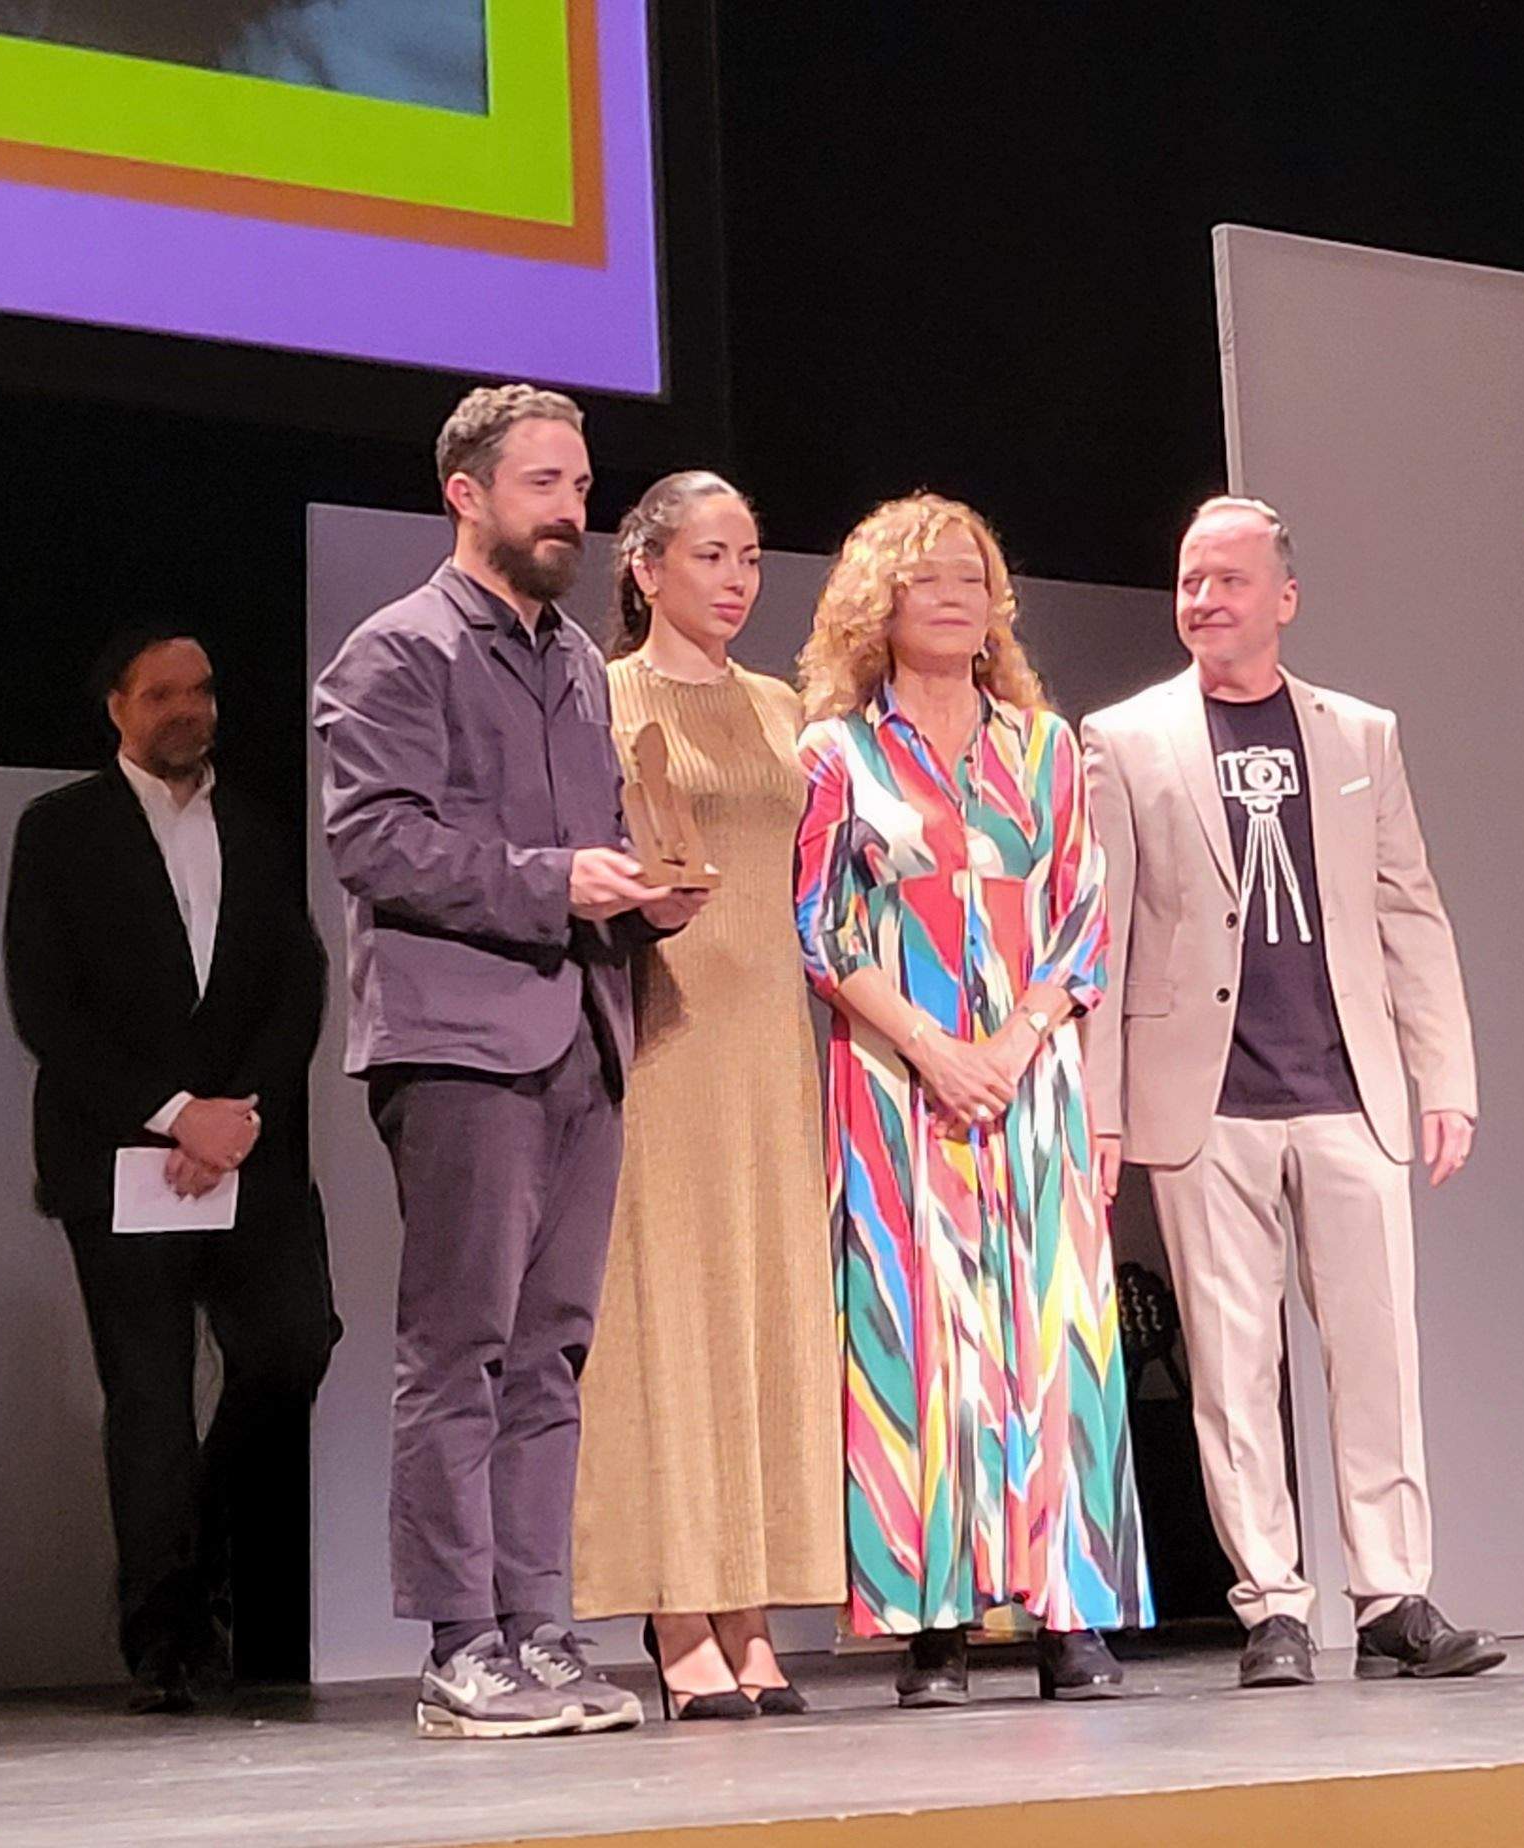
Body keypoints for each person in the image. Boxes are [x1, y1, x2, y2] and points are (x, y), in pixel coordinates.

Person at [316, 383, 703, 1738]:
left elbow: (593, 839)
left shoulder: (578, 663)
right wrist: (556, 881)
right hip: (460, 1044)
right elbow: (374, 841)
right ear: (465, 494)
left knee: (551, 1354)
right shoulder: (395, 651)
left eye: (581, 487)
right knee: (461, 1350)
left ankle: (538, 1629)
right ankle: (456, 1646)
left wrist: (645, 895)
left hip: (581, 1034)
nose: (571, 512)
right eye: (544, 484)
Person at [1082, 496, 1504, 1688]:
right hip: (1203, 1099)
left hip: (1346, 1089)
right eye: (1189, 579)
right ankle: (1270, 1601)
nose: (1203, 599)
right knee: (1229, 1366)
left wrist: (1444, 1075)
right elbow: (1104, 935)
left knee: (1377, 1356)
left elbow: (1408, 906)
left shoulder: (1359, 735)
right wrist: (1102, 1108)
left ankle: (1393, 1598)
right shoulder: (1123, 739)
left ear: (1284, 598)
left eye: (1228, 579)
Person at [791, 492, 1146, 1707]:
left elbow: (1082, 917)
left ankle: (1070, 1615)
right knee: (916, 1335)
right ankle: (929, 1624)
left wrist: (1018, 1039)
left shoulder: (1046, 748)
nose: (953, 595)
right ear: (876, 603)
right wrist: (933, 1048)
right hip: (897, 1083)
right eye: (926, 577)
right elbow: (820, 928)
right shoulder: (835, 755)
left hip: (1031, 1079)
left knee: (1050, 1334)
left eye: (971, 577)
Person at [2, 628, 339, 1713]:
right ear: (117, 707)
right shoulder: (60, 830)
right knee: (148, 1398)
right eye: (162, 694)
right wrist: (173, 1114)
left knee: (291, 1345)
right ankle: (166, 1640)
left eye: (201, 690)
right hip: (119, 1154)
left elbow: (296, 983)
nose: (188, 710)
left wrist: (237, 1116)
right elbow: (46, 1006)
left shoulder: (258, 826)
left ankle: (200, 1555)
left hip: (248, 1152)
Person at [568, 472, 841, 1720]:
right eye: (711, 556)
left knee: (761, 1311)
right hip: (665, 1029)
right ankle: (679, 1610)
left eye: (750, 557)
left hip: (768, 1038)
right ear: (646, 568)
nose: (736, 580)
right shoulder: (602, 694)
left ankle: (753, 1610)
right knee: (666, 1316)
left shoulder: (782, 706)